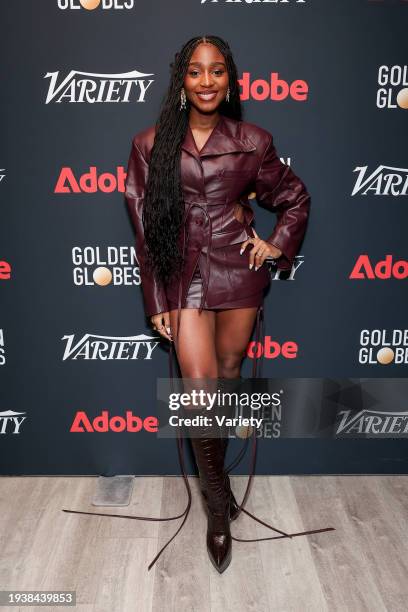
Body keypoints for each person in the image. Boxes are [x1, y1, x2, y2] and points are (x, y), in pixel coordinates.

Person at [62, 35, 334, 574]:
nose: (206, 81)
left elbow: (295, 196)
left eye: (216, 72)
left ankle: (218, 478)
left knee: (229, 369)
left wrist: (276, 243)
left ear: (230, 79)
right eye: (195, 71)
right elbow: (143, 227)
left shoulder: (253, 140)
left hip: (239, 271)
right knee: (200, 387)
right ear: (181, 81)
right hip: (181, 271)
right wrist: (156, 296)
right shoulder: (151, 143)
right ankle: (216, 507)